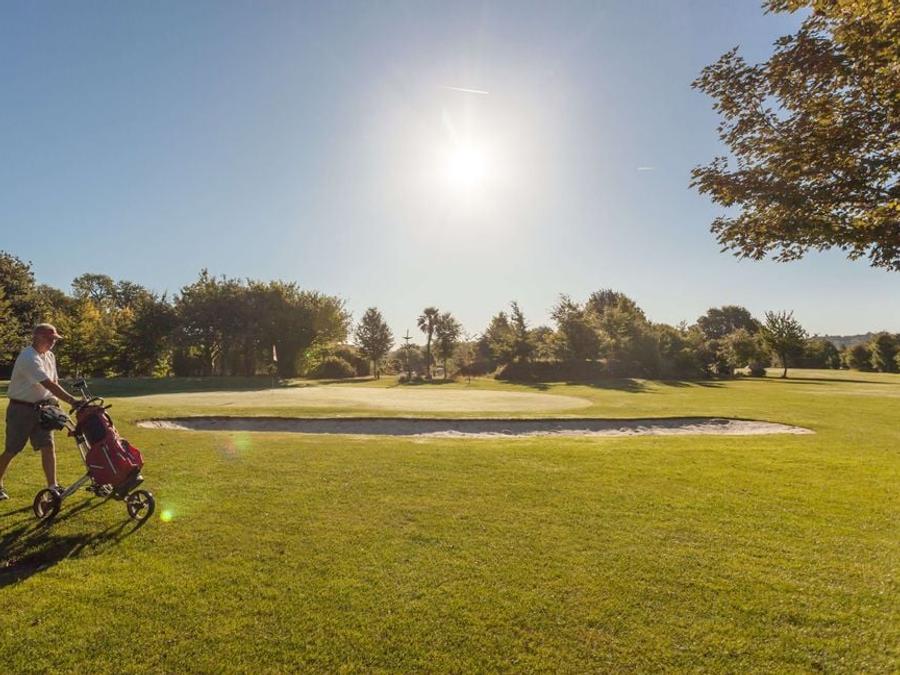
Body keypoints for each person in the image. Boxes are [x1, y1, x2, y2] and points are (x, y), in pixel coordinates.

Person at [0, 324, 82, 501]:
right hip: (21, 409)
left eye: (54, 339)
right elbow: (47, 384)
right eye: (50, 338)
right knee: (12, 449)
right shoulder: (28, 357)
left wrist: (57, 407)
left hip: (43, 409)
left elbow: (55, 382)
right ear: (38, 337)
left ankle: (53, 487)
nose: (53, 342)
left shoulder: (50, 356)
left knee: (48, 446)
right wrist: (72, 401)